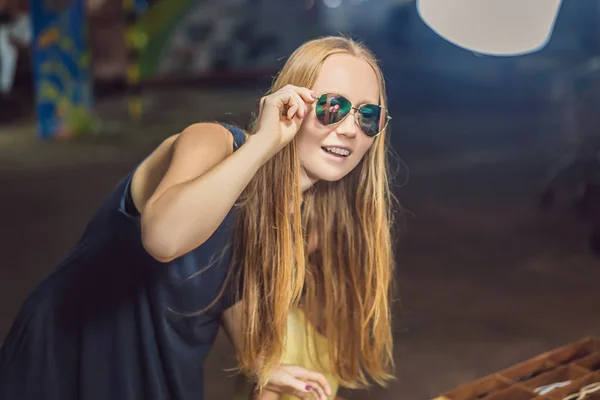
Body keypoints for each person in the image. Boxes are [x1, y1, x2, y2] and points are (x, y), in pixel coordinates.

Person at [0, 36, 396, 400]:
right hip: (68, 358)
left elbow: (222, 284)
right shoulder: (212, 143)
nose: (348, 130)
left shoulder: (306, 217)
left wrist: (262, 363)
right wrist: (264, 143)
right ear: (293, 101)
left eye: (367, 116)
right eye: (332, 107)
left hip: (162, 372)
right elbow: (164, 239)